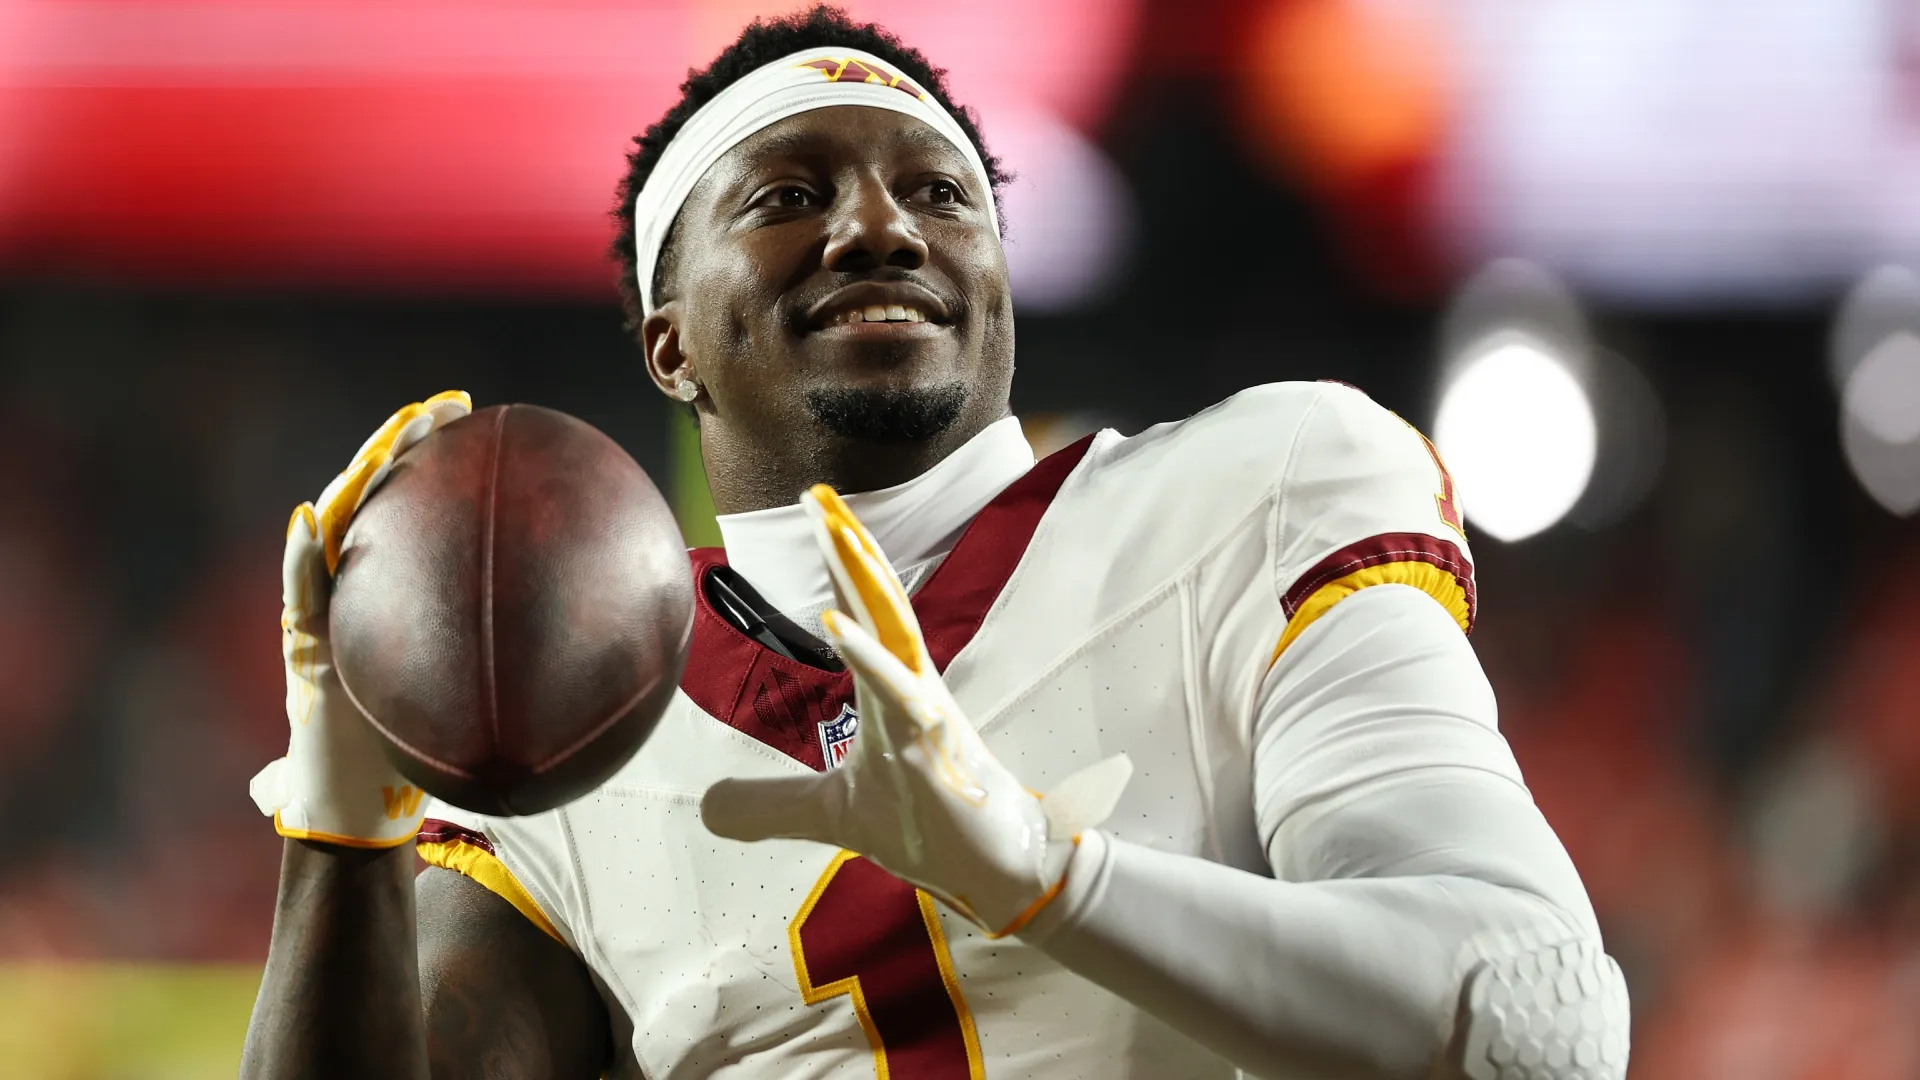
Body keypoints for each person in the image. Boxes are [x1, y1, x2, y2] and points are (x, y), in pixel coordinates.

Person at [240, 6, 1630, 1078]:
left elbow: (1535, 1017)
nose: (878, 227)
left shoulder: (1255, 491)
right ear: (668, 341)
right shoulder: (572, 717)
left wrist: (1040, 875)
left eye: (940, 193)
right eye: (787, 197)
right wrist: (349, 793)